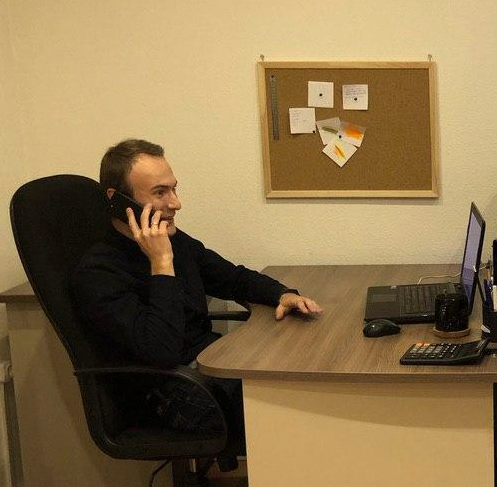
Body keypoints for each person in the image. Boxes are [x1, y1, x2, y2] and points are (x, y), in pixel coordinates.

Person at [71, 138, 321, 440]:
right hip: (168, 391)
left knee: (302, 379)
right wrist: (161, 263)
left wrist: (282, 294)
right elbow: (161, 352)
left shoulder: (174, 242)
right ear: (118, 200)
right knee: (295, 411)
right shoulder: (99, 272)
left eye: (174, 189)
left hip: (208, 365)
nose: (175, 203)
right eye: (160, 193)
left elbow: (232, 278)